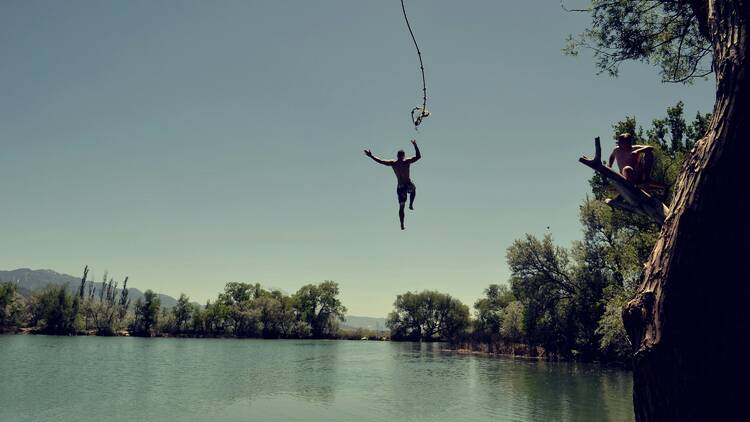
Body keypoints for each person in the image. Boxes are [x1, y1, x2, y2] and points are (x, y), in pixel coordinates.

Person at [364, 140, 421, 230]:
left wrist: (371, 156)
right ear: (403, 155)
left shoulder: (395, 163)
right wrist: (415, 145)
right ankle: (405, 215)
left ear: (399, 156)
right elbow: (418, 157)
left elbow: (381, 161)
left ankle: (408, 209)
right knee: (408, 196)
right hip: (404, 185)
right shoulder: (404, 162)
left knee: (404, 202)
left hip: (402, 186)